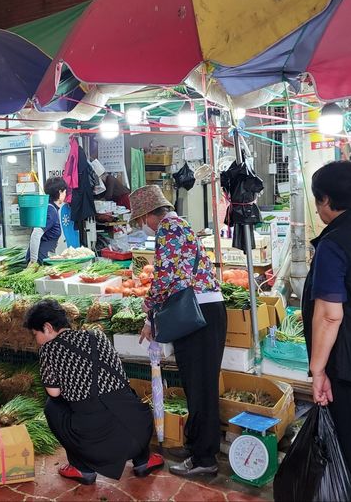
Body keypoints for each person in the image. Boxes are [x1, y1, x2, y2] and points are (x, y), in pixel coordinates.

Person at [131, 185, 226, 477]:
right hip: (202, 313)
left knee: (201, 388)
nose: (143, 225)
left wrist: (148, 313)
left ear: (149, 213)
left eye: (141, 220)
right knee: (197, 386)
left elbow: (166, 279)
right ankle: (197, 446)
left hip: (199, 315)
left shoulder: (169, 229)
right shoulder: (180, 225)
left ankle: (204, 459)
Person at [25, 299, 163, 485]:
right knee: (125, 399)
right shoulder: (97, 335)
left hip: (96, 444)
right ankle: (143, 461)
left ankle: (82, 469)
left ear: (47, 327)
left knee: (52, 406)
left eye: (35, 334)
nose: (37, 340)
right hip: (138, 432)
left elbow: (54, 392)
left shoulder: (49, 349)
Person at [303, 161, 351, 501]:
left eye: (318, 201)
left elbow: (329, 316)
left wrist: (317, 371)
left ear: (326, 200)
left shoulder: (334, 244)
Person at [27, 177, 67, 264]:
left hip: (46, 257)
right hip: (40, 260)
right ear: (60, 192)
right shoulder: (50, 210)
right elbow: (36, 234)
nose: (65, 194)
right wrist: (33, 261)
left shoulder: (49, 208)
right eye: (64, 192)